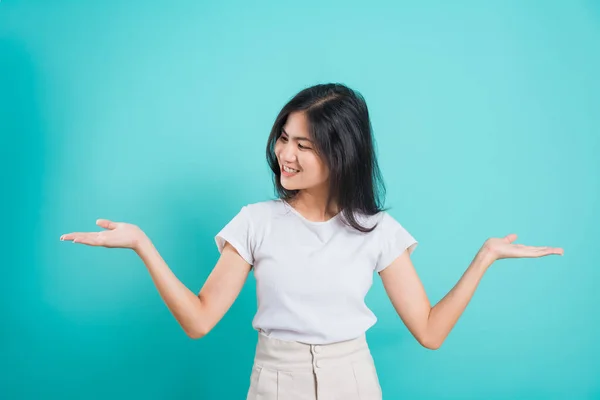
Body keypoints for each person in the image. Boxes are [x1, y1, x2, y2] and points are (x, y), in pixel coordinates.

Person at [60, 83, 564, 399]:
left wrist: (485, 258)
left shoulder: (377, 230)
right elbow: (199, 320)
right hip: (275, 382)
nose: (286, 154)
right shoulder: (255, 221)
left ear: (342, 152)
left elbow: (430, 331)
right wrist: (143, 245)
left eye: (304, 144)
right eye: (284, 137)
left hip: (355, 382)